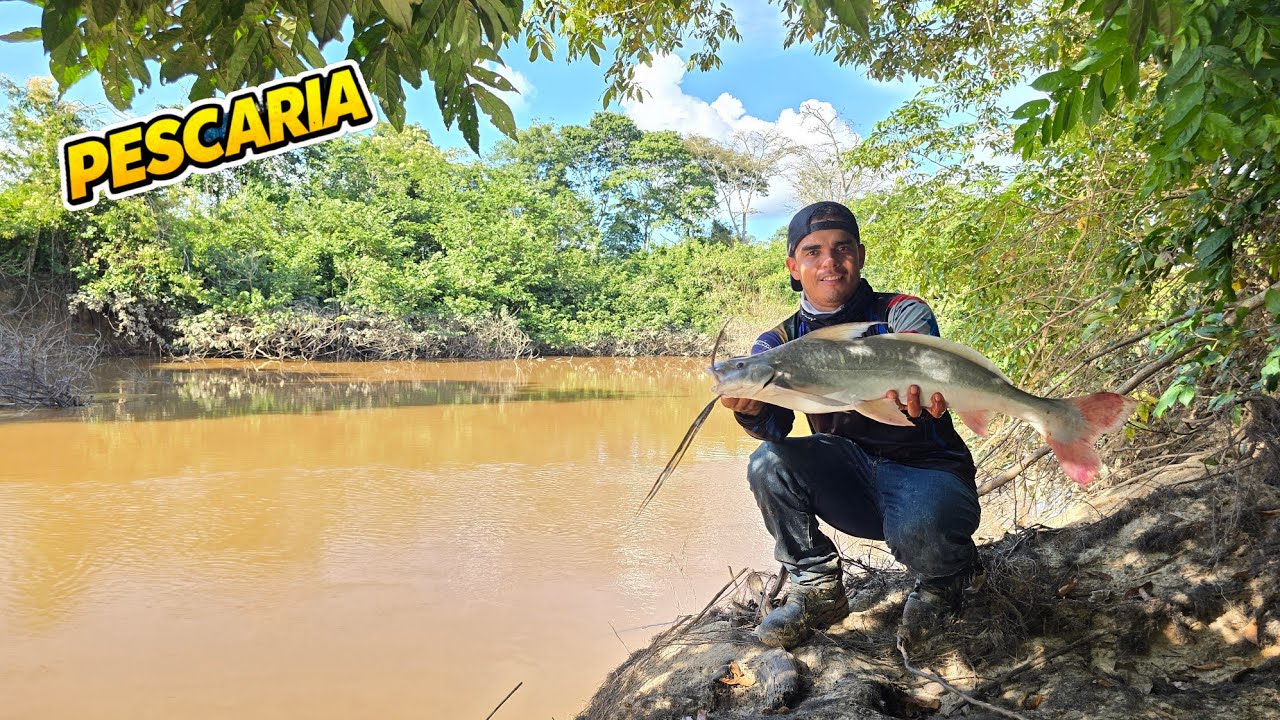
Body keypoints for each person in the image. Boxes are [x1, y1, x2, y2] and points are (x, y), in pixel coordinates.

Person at [722, 201, 982, 649]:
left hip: (926, 471)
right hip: (849, 479)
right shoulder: (777, 343)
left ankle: (946, 579)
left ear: (860, 256)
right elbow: (776, 430)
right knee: (767, 463)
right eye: (813, 252)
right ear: (793, 265)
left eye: (842, 249)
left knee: (924, 528)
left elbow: (928, 361)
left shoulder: (902, 312)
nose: (829, 262)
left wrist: (924, 397)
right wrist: (750, 411)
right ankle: (818, 589)